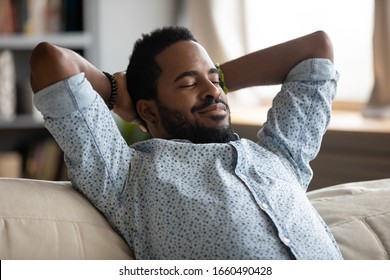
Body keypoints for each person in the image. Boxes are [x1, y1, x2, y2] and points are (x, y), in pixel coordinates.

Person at [30, 26, 342, 260]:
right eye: (188, 83)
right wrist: (116, 93)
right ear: (148, 109)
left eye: (216, 80)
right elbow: (51, 61)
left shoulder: (280, 155)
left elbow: (316, 49)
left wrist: (211, 82)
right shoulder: (126, 176)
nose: (214, 92)